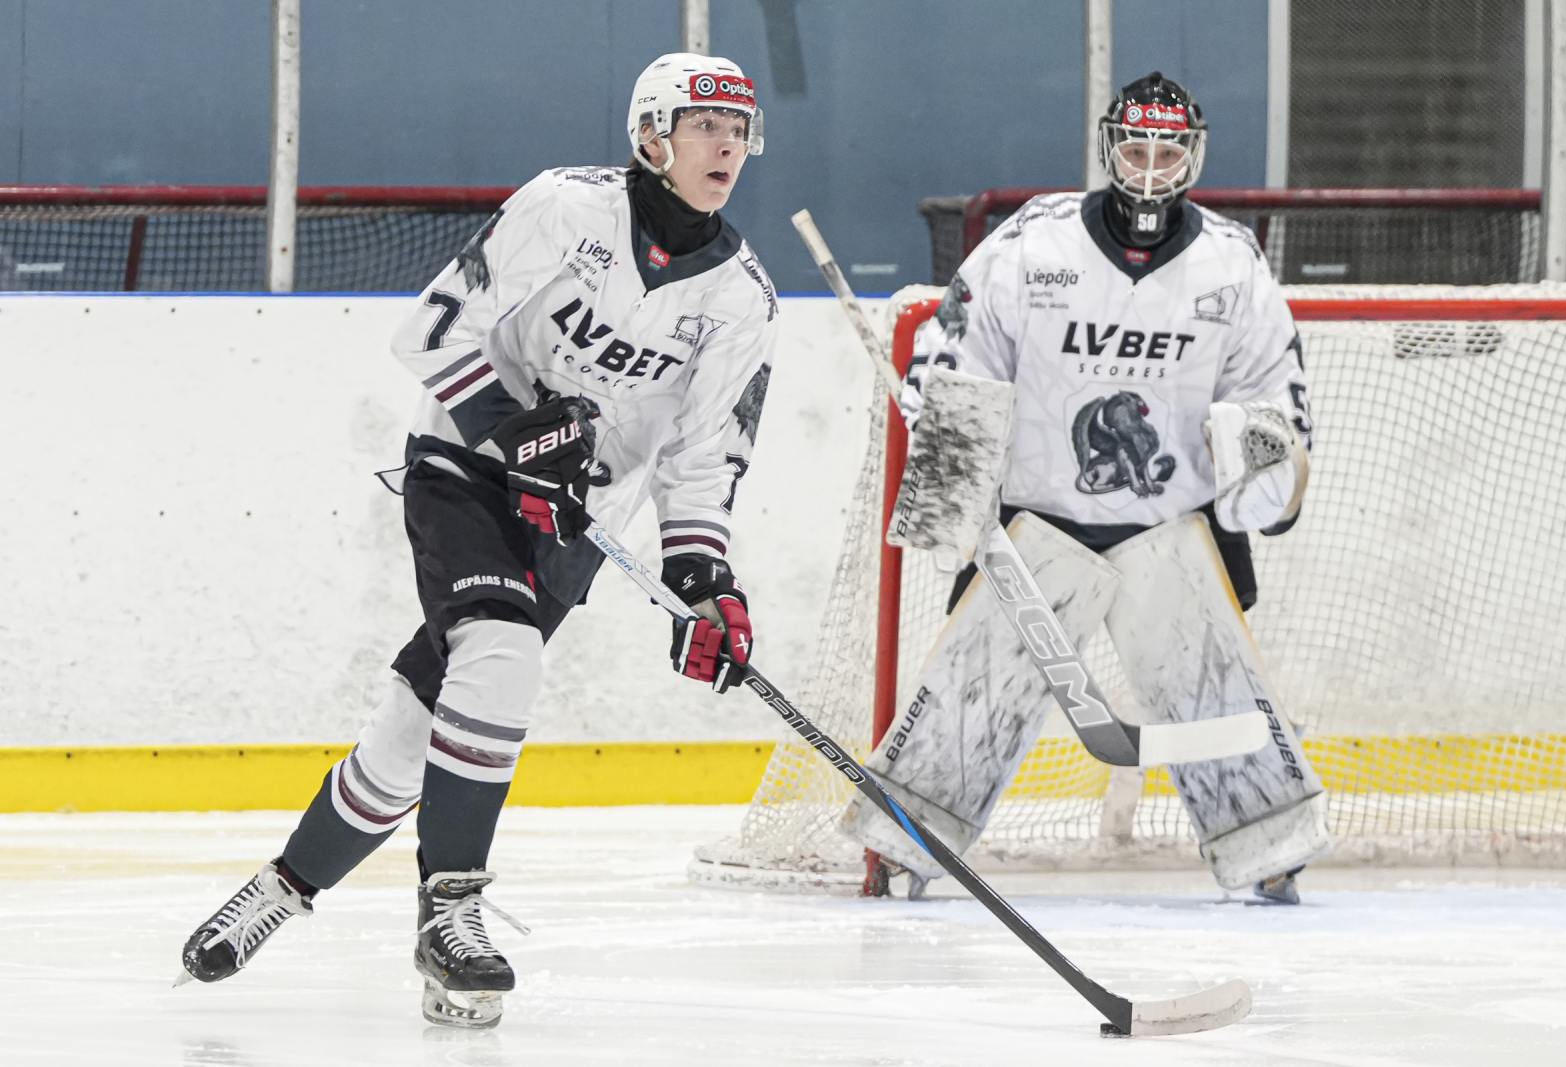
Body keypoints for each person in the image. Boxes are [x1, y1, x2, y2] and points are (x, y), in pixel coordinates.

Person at [178, 53, 780, 1027]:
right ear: (650, 137)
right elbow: (434, 332)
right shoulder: (565, 208)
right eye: (705, 125)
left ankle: (283, 887)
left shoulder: (742, 298)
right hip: (465, 467)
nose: (727, 145)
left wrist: (703, 578)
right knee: (500, 654)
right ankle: (450, 912)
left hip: (572, 522)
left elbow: (702, 460)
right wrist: (517, 431)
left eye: (740, 129)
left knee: (410, 732)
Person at [844, 72, 1325, 905]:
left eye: (1168, 151)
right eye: (1136, 149)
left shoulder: (1230, 262)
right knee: (975, 688)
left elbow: (1272, 393)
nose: (1151, 168)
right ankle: (905, 840)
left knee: (1213, 688)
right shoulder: (1034, 243)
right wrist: (954, 476)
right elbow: (958, 353)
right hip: (1037, 518)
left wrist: (1268, 472)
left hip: (1173, 524)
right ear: (1109, 148)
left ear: (1193, 155)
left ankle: (1269, 841)